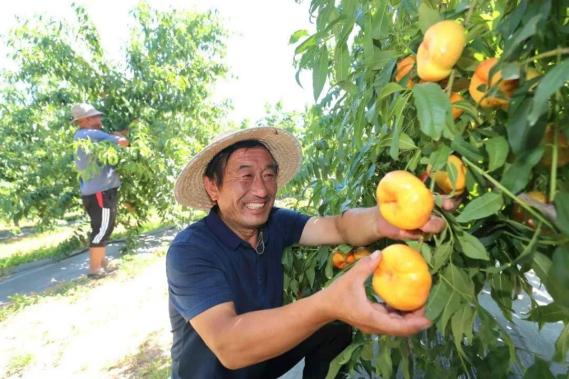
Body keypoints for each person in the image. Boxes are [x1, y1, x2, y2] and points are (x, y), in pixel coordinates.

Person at [167, 127, 448, 379]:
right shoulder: (190, 250)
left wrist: (381, 219)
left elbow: (337, 227)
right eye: (245, 175)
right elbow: (229, 345)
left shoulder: (273, 223)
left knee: (333, 330)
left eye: (269, 175)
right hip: (218, 371)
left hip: (260, 363)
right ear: (212, 187)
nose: (262, 189)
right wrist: (327, 304)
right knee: (327, 318)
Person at [72, 103, 128, 279]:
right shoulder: (90, 135)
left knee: (104, 227)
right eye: (96, 117)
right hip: (100, 192)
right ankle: (94, 269)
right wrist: (120, 136)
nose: (99, 119)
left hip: (97, 191)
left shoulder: (82, 136)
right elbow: (123, 143)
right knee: (102, 229)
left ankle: (102, 262)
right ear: (86, 120)